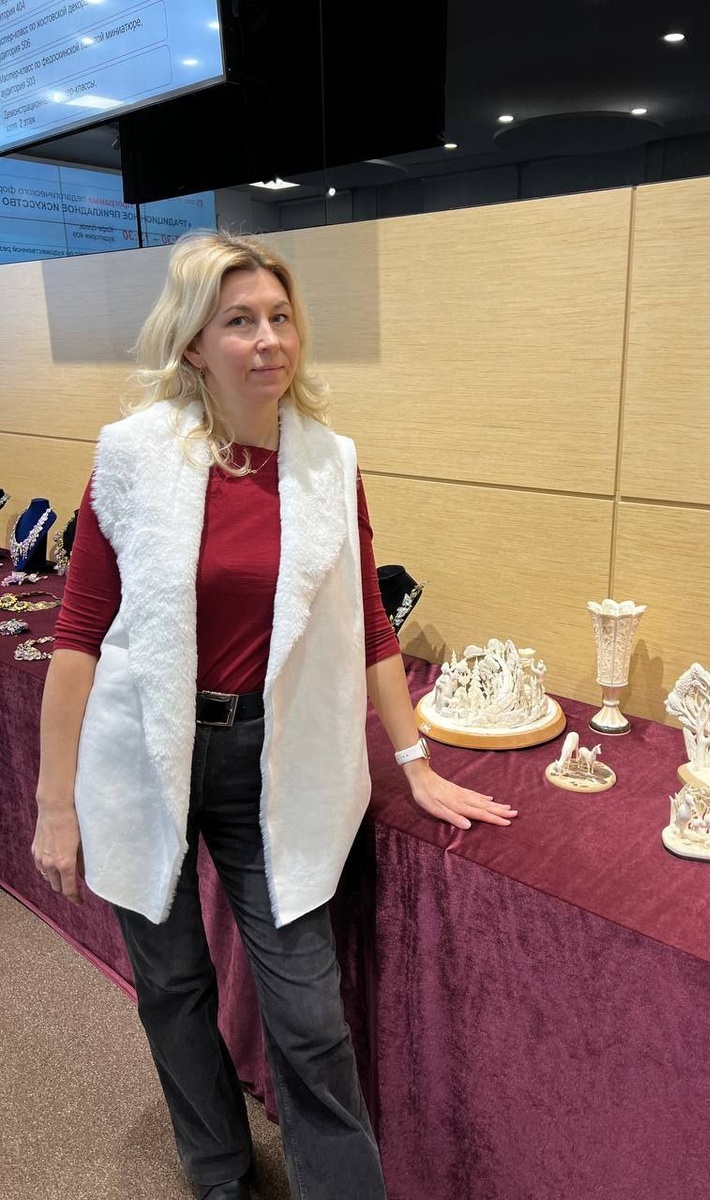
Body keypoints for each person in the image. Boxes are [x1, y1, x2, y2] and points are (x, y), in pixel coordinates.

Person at [31, 230, 518, 1200]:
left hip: (273, 756)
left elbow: (370, 624)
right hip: (146, 752)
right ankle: (219, 1174)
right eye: (240, 321)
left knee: (308, 1014)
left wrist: (415, 761)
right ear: (192, 343)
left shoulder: (329, 463)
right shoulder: (132, 456)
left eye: (281, 318)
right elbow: (79, 633)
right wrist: (54, 805)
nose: (269, 340)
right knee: (173, 987)